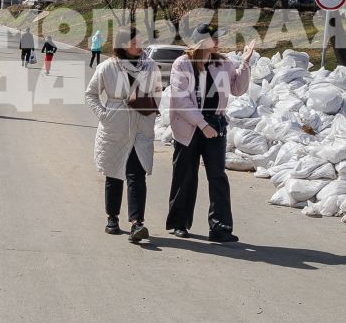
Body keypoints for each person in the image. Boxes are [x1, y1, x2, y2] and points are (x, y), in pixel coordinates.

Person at [165, 26, 255, 242]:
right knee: (185, 174)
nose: (217, 42)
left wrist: (245, 63)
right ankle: (179, 223)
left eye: (217, 38)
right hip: (189, 125)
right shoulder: (183, 64)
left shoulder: (223, 63)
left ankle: (220, 228)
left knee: (217, 176)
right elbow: (181, 100)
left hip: (215, 124)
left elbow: (237, 89)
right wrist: (202, 124)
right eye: (213, 38)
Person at [86, 29, 159, 241]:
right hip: (115, 126)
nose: (139, 44)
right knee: (114, 173)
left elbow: (157, 95)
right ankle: (112, 218)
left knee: (137, 175)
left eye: (140, 40)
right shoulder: (108, 66)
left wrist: (151, 115)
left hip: (141, 127)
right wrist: (104, 115)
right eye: (134, 41)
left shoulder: (150, 66)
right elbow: (91, 94)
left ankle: (137, 223)